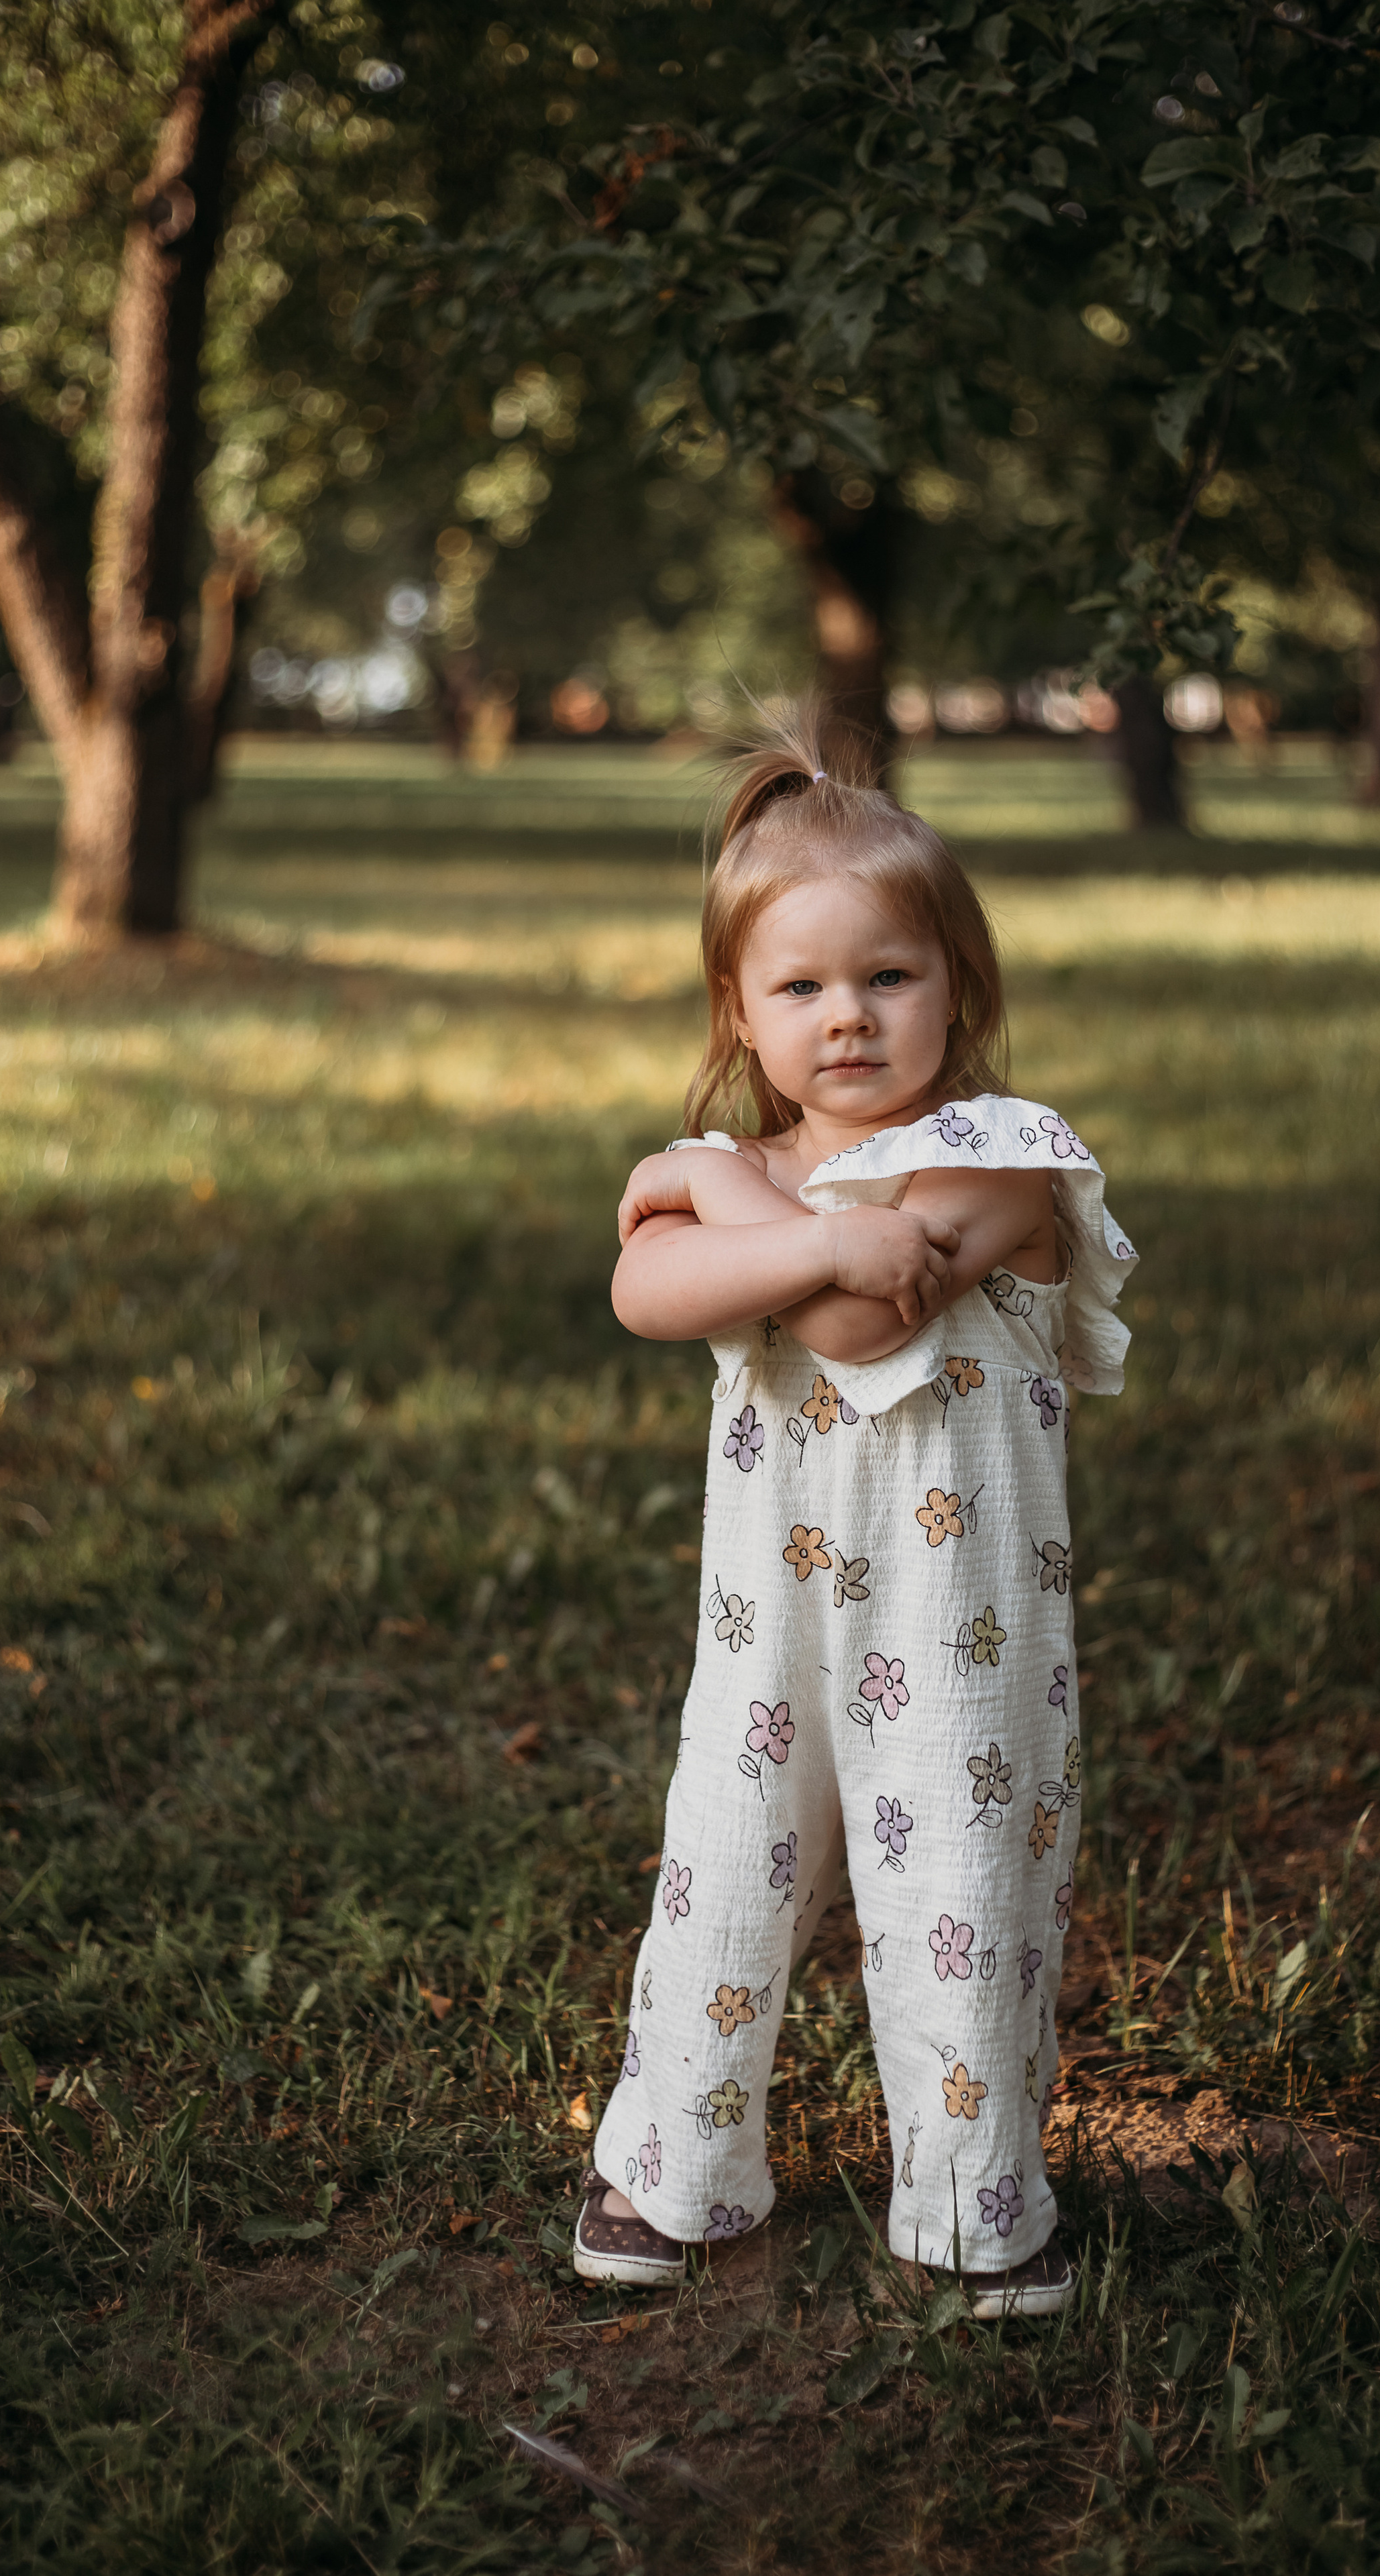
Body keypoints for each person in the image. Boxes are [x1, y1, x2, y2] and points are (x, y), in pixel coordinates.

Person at [574, 701, 1137, 2318]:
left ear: (955, 987)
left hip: (956, 1629)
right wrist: (755, 1215)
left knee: (960, 1880)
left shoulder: (1001, 1161)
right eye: (801, 987)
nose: (848, 1020)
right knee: (722, 1861)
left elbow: (851, 1317)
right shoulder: (741, 1169)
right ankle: (674, 2167)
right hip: (773, 1621)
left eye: (887, 977)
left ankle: (974, 2206)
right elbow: (641, 1289)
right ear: (739, 1012)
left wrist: (740, 1205)